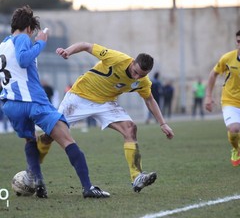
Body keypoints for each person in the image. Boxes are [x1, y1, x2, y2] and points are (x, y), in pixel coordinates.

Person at [0, 5, 109, 199]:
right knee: (67, 140)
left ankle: (39, 183)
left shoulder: (3, 45)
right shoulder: (23, 38)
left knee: (31, 140)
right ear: (28, 28)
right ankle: (88, 187)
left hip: (11, 104)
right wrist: (40, 43)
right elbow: (24, 60)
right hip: (33, 102)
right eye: (33, 32)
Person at [38, 41, 174, 193]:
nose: (136, 77)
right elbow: (86, 45)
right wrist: (67, 51)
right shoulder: (116, 58)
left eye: (141, 75)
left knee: (130, 129)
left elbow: (149, 99)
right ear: (132, 62)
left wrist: (162, 123)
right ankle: (33, 171)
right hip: (79, 97)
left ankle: (137, 177)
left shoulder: (142, 81)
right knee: (51, 135)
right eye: (135, 72)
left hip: (106, 103)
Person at [205, 29, 240, 167]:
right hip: (230, 100)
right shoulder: (227, 58)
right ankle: (236, 149)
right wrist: (208, 96)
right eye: (238, 41)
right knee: (234, 129)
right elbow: (213, 74)